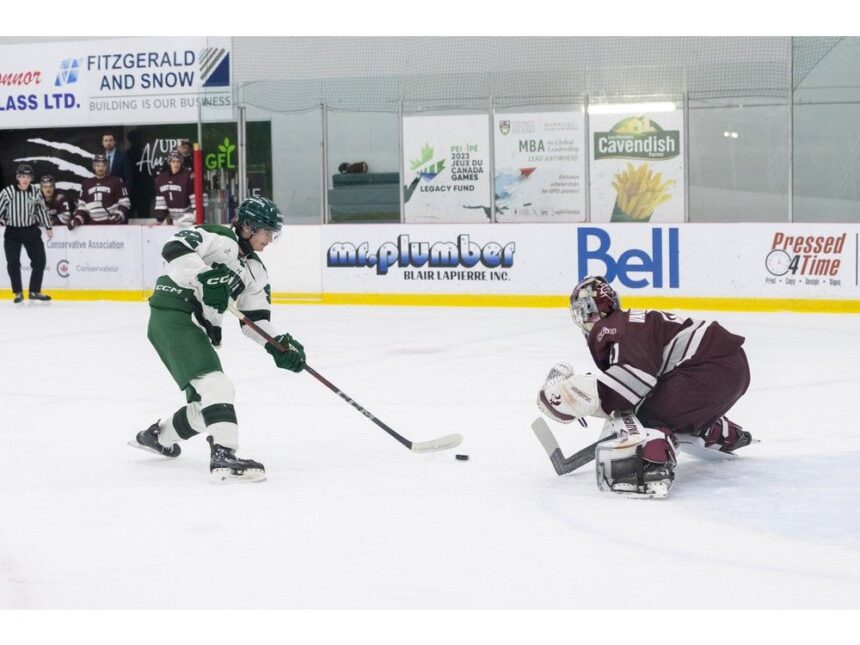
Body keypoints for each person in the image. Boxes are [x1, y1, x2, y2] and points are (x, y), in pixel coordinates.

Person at [128, 196, 306, 482]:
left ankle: (156, 436)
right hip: (174, 311)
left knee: (207, 407)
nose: (270, 239)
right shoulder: (219, 237)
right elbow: (173, 246)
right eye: (267, 231)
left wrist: (279, 346)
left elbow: (255, 321)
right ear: (248, 226)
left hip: (196, 325)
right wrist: (205, 276)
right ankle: (224, 454)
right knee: (217, 385)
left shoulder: (256, 271)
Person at [537, 275, 753, 498]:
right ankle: (718, 432)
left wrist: (585, 396)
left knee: (640, 418)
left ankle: (650, 467)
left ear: (590, 310)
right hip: (727, 368)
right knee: (659, 402)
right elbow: (643, 381)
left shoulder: (614, 329)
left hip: (708, 369)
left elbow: (631, 383)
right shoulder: (628, 322)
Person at [0, 164, 53, 303]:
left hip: (30, 230)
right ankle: (17, 292)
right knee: (13, 262)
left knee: (40, 261)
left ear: (31, 178)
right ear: (17, 177)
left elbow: (41, 210)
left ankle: (34, 291)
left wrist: (48, 226)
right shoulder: (8, 192)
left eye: (27, 177)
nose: (24, 179)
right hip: (12, 232)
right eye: (22, 176)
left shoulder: (35, 192)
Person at [71, 154, 130, 226]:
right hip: (92, 225)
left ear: (107, 167)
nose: (100, 168)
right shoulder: (86, 183)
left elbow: (125, 202)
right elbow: (82, 206)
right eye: (98, 165)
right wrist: (78, 219)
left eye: (103, 166)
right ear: (94, 166)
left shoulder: (116, 181)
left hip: (111, 224)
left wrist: (118, 214)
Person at [152, 151, 196, 226]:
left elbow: (195, 198)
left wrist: (197, 215)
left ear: (181, 163)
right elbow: (161, 203)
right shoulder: (162, 179)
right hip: (174, 219)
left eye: (178, 161)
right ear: (169, 162)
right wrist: (159, 220)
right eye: (173, 161)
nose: (176, 164)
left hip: (189, 218)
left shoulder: (188, 176)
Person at [102, 130, 134, 197]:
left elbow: (129, 178)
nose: (108, 143)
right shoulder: (100, 157)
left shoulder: (123, 156)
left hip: (119, 194)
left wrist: (125, 194)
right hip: (104, 195)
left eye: (110, 140)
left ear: (114, 142)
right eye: (106, 141)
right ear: (102, 143)